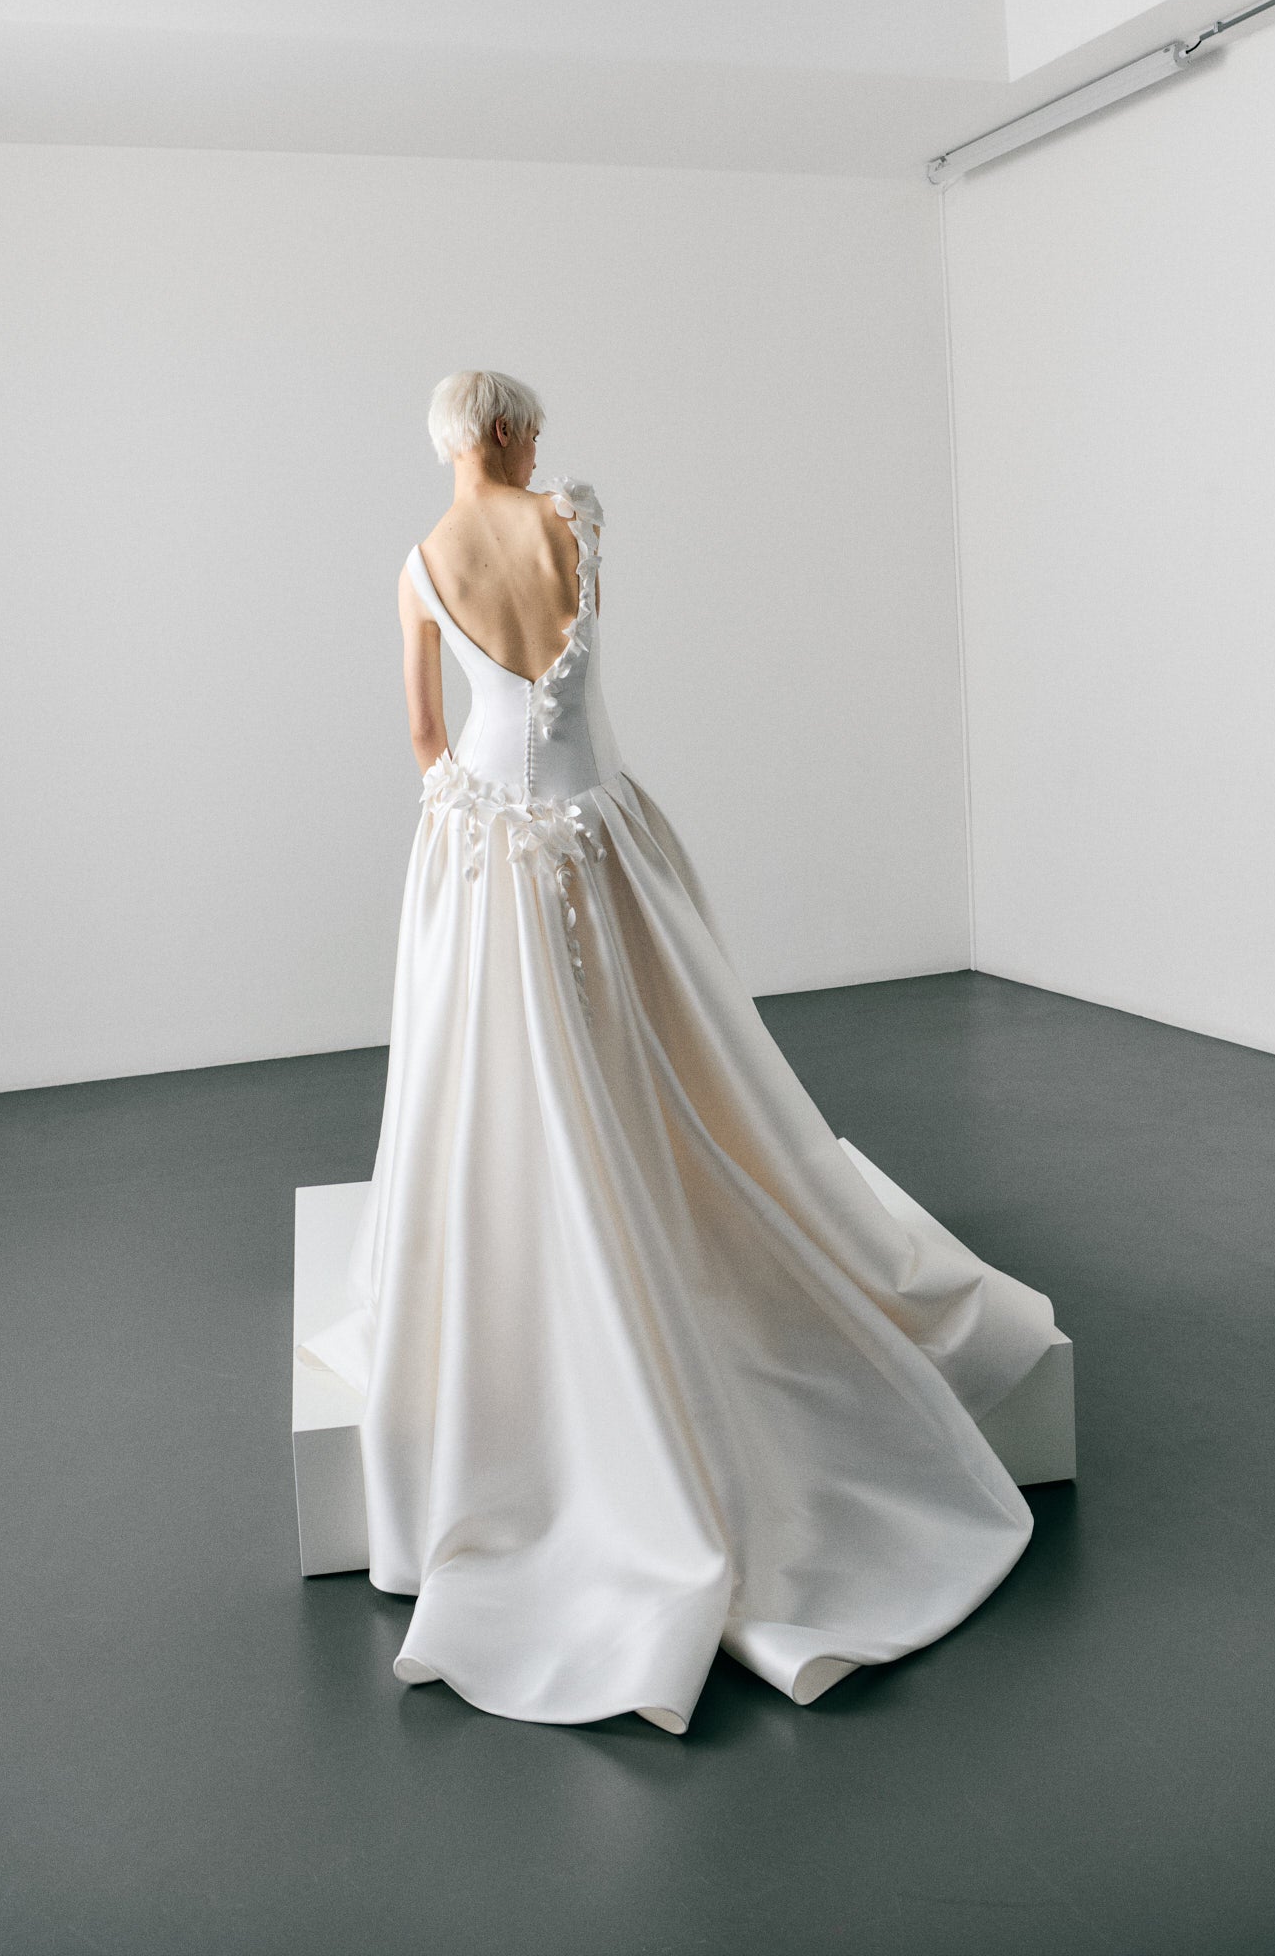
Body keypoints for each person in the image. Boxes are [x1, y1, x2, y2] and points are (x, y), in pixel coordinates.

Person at [301, 368, 1057, 1735]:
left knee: (503, 1082)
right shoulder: (576, 525)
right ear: (513, 436)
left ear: (441, 446)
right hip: (605, 834)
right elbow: (570, 683)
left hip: (489, 852)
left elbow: (427, 736)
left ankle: (552, 1274)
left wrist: (472, 818)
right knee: (665, 1055)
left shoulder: (417, 568)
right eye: (531, 426)